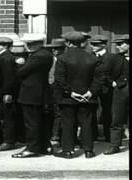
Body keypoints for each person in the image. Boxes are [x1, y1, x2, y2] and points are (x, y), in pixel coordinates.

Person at [54, 31, 104, 159]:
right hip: (87, 97)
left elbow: (59, 78)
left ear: (68, 43)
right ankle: (88, 150)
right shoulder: (93, 58)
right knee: (86, 123)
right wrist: (90, 92)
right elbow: (99, 79)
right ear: (82, 43)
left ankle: (68, 150)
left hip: (68, 98)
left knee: (68, 123)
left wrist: (70, 92)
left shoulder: (62, 58)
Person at [11, 34, 54, 158]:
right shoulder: (45, 54)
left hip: (32, 93)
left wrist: (18, 64)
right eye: (28, 44)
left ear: (40, 43)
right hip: (40, 92)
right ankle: (46, 145)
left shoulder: (37, 57)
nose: (29, 46)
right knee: (41, 121)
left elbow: (21, 73)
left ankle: (32, 148)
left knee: (31, 122)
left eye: (32, 44)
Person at [0, 37, 17, 151]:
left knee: (7, 118)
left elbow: (9, 78)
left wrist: (8, 93)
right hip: (0, 92)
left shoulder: (6, 58)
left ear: (5, 46)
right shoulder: (1, 56)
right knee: (1, 116)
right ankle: (0, 139)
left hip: (4, 92)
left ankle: (8, 141)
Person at [104, 34, 129, 155]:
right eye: (117, 44)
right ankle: (115, 145)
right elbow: (105, 73)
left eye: (120, 44)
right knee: (116, 119)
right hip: (120, 91)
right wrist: (112, 83)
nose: (118, 47)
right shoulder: (115, 58)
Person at [89, 34, 117, 142]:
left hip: (107, 88)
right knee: (91, 111)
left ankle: (108, 135)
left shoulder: (112, 57)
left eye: (96, 44)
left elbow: (115, 72)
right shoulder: (89, 56)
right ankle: (92, 135)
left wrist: (111, 82)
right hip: (92, 88)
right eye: (92, 44)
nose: (93, 46)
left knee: (107, 111)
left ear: (104, 44)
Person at [44, 38, 66, 143]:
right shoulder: (48, 60)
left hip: (60, 90)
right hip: (48, 90)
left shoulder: (65, 60)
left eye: (58, 48)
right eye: (53, 49)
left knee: (59, 113)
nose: (55, 51)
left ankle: (56, 135)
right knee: (48, 112)